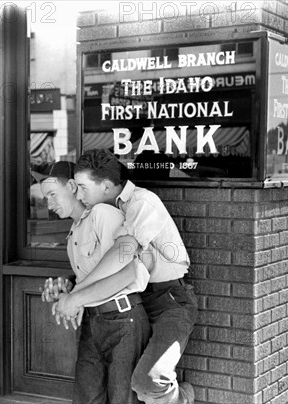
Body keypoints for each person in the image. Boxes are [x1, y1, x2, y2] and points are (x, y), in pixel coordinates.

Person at [73, 149, 198, 404]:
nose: (79, 194)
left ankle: (182, 398)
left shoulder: (142, 201)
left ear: (106, 186)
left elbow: (124, 252)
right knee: (128, 393)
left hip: (169, 301)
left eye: (83, 187)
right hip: (135, 305)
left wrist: (76, 295)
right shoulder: (106, 212)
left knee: (147, 381)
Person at [36, 161, 151, 404]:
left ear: (71, 185)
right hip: (93, 322)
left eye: (53, 195)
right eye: (46, 198)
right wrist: (65, 288)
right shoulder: (73, 234)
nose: (49, 204)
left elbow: (128, 273)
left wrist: (75, 298)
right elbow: (91, 279)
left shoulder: (102, 214)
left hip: (123, 321)